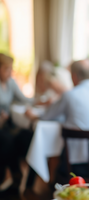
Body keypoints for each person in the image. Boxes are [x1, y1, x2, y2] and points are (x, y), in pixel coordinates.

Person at [25, 59, 89, 177]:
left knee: (58, 159)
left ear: (74, 76)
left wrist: (34, 115)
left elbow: (47, 116)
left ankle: (56, 190)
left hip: (80, 166)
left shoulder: (70, 95)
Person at [0, 53, 34, 197]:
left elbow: (25, 99)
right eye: (7, 69)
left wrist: (43, 101)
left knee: (30, 137)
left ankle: (27, 184)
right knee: (7, 140)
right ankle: (10, 173)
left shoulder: (10, 82)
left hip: (7, 124)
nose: (10, 72)